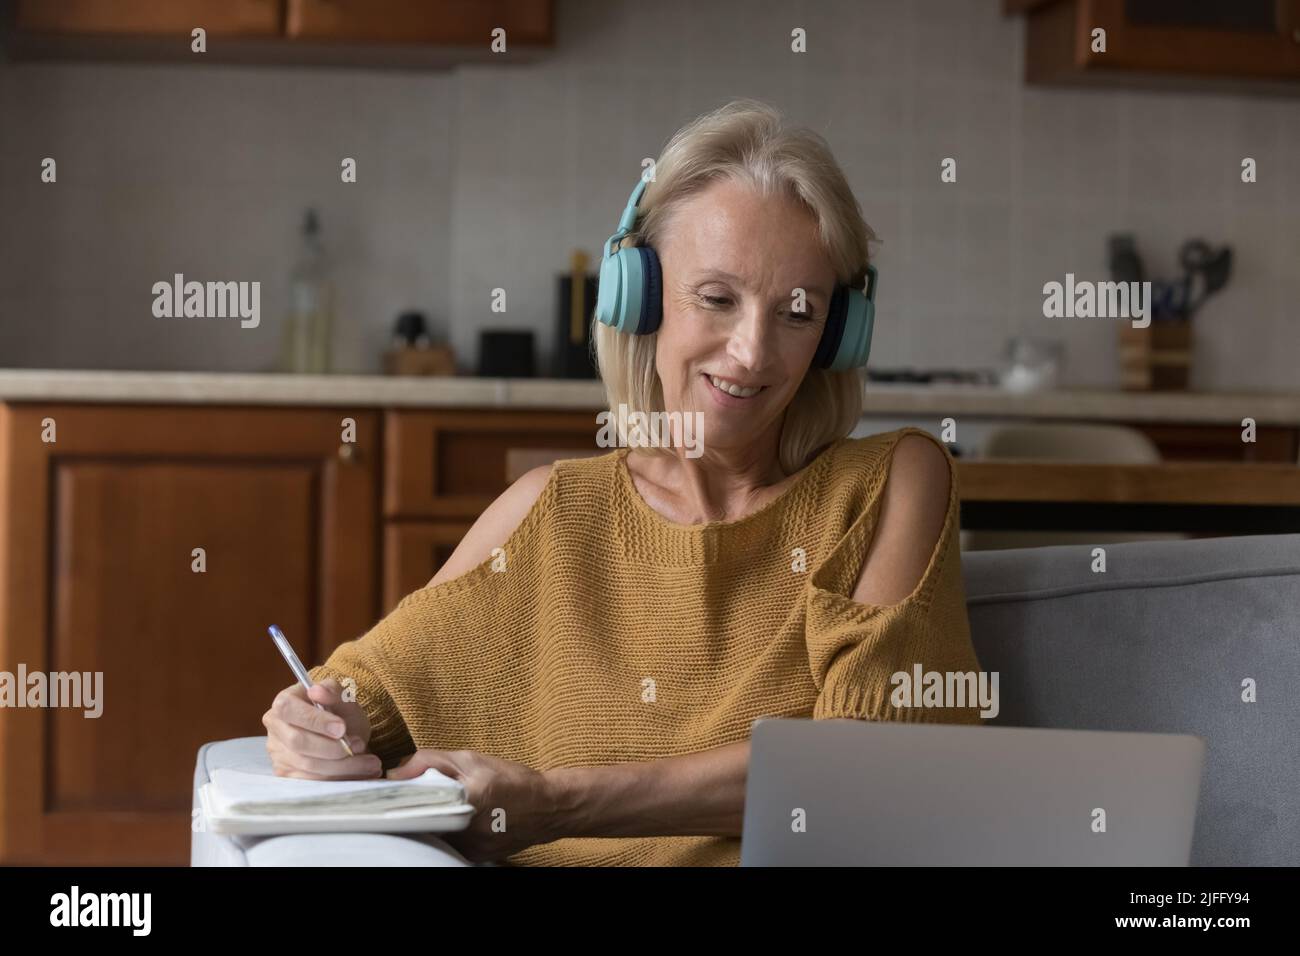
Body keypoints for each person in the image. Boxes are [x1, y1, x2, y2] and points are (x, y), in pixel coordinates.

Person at [262, 99, 984, 866]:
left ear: (839, 333)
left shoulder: (890, 486)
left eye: (798, 313)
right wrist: (311, 724)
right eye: (716, 298)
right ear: (636, 297)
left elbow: (865, 769)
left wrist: (559, 801)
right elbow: (358, 694)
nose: (751, 352)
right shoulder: (550, 511)